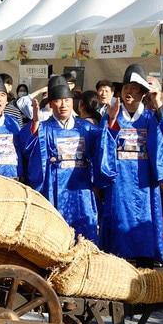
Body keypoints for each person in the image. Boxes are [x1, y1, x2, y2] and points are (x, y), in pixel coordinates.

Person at [100, 65, 163, 266]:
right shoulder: (113, 116)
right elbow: (101, 148)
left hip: (145, 183)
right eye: (127, 87)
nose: (130, 92)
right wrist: (110, 123)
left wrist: (159, 106)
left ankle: (146, 269)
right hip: (119, 181)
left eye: (136, 88)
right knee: (118, 229)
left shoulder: (151, 117)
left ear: (143, 92)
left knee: (145, 229)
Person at [18, 75, 107, 244]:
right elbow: (25, 145)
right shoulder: (43, 128)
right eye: (58, 100)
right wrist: (35, 123)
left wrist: (112, 120)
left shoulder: (86, 127)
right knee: (55, 234)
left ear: (73, 102)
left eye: (67, 100)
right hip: (54, 187)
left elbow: (105, 144)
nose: (63, 105)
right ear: (51, 104)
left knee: (85, 232)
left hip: (81, 189)